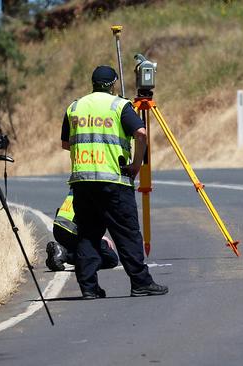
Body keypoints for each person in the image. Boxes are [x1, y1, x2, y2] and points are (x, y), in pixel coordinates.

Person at [61, 65, 168, 299]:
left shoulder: (75, 106)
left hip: (83, 181)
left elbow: (66, 143)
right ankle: (141, 283)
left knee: (88, 234)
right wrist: (136, 164)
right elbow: (141, 133)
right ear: (113, 84)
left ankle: (89, 288)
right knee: (127, 233)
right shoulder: (119, 105)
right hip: (113, 181)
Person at [46, 189, 119, 272]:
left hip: (59, 229)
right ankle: (64, 254)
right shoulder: (100, 186)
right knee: (111, 260)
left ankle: (60, 253)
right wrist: (99, 236)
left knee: (86, 249)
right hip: (74, 230)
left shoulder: (79, 181)